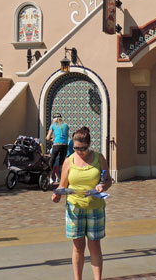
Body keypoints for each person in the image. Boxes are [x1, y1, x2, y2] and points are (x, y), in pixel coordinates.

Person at [51, 127, 112, 280]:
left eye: (83, 148)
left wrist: (102, 186)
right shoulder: (69, 160)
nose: (79, 151)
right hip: (74, 207)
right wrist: (57, 194)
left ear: (89, 144)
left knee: (94, 245)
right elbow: (62, 185)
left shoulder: (99, 158)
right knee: (78, 247)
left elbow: (108, 180)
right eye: (76, 148)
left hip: (95, 207)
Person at [45, 113, 70, 183]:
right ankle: (62, 178)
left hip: (57, 144)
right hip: (65, 145)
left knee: (52, 161)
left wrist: (51, 140)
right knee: (61, 162)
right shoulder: (66, 125)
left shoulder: (53, 125)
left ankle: (49, 178)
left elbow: (47, 137)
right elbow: (67, 135)